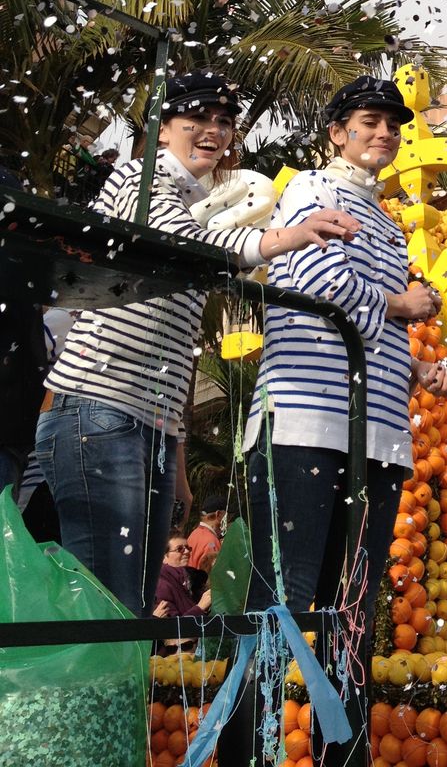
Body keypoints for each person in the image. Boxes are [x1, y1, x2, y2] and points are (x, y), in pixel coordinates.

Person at [35, 70, 360, 617]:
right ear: (163, 129)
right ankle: (82, 701)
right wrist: (288, 236)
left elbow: (175, 359)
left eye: (224, 121)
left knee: (132, 603)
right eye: (197, 119)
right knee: (105, 599)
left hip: (149, 426)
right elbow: (195, 246)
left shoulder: (194, 201)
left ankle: (117, 700)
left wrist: (177, 460)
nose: (213, 130)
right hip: (97, 412)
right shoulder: (137, 183)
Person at [243, 75, 447, 632]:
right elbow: (322, 283)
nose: (384, 133)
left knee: (354, 606)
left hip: (379, 428)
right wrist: (403, 305)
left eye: (392, 125)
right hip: (305, 421)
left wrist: (415, 368)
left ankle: (339, 720)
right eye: (369, 123)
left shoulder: (388, 221)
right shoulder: (313, 190)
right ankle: (263, 718)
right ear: (338, 133)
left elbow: (369, 325)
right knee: (285, 595)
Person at [154, 530, 212, 620]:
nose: (187, 552)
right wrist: (200, 607)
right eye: (180, 549)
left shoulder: (193, 578)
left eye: (188, 548)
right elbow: (174, 627)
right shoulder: (162, 585)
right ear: (164, 556)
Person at [186, 494, 226, 572]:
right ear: (218, 514)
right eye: (228, 515)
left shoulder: (194, 534)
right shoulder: (211, 541)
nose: (229, 520)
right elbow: (214, 576)